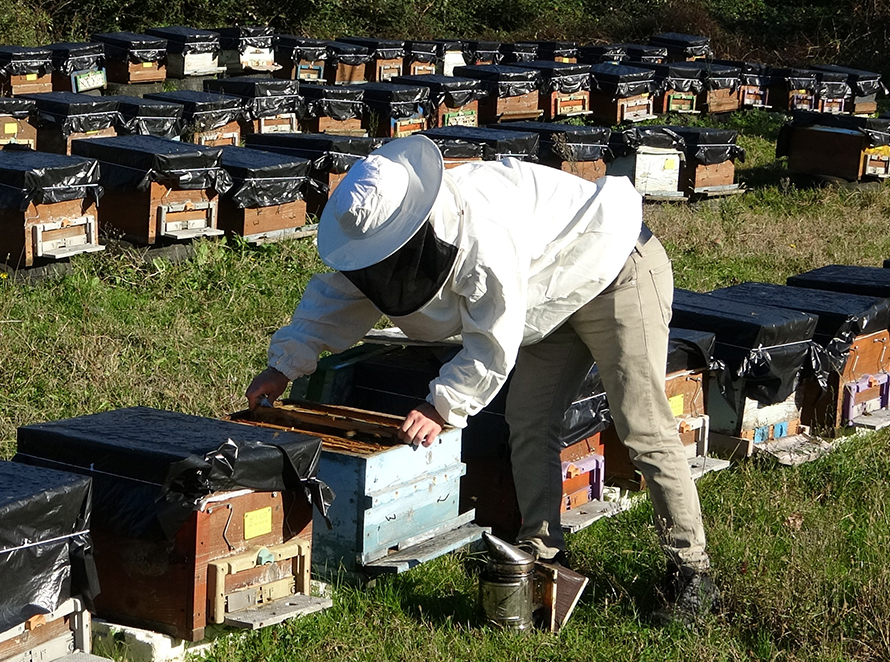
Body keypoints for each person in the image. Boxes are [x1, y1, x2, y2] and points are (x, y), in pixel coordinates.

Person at [245, 135, 718, 624]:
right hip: (549, 294)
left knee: (642, 423)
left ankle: (692, 571)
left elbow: (494, 337)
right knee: (529, 421)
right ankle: (542, 548)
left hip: (616, 267)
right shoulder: (381, 236)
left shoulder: (479, 228)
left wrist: (442, 406)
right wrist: (284, 365)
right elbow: (336, 296)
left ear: (411, 222)